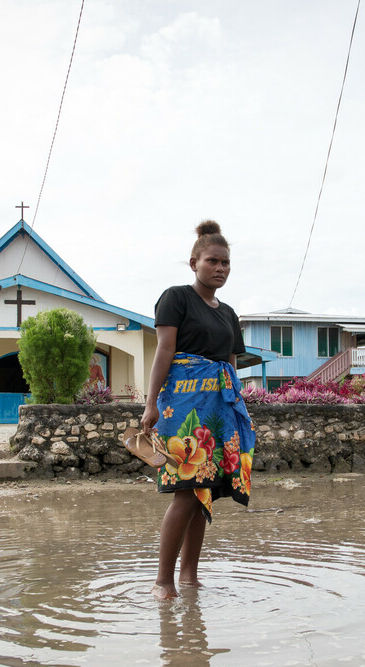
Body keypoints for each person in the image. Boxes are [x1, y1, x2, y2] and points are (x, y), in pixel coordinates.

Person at [140, 220, 256, 600]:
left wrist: (239, 410)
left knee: (204, 490)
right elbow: (164, 352)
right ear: (194, 263)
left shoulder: (229, 313)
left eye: (226, 263)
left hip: (218, 409)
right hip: (182, 406)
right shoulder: (176, 298)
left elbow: (231, 366)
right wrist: (151, 404)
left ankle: (189, 577)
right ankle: (163, 581)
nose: (220, 268)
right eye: (212, 261)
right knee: (185, 489)